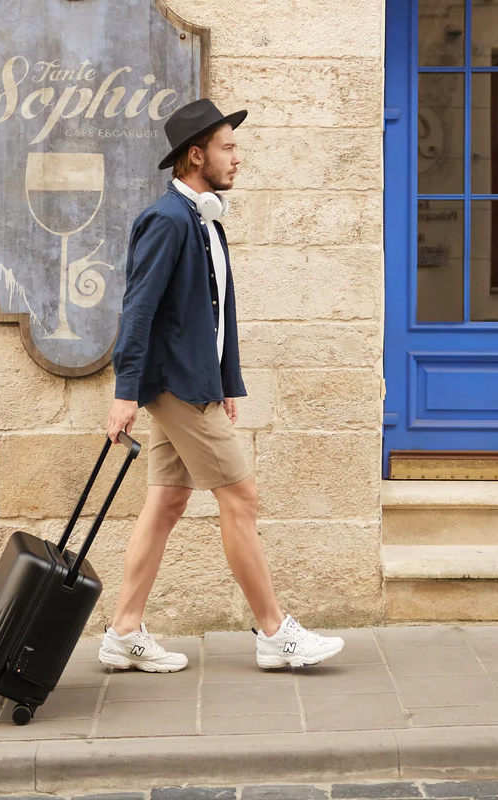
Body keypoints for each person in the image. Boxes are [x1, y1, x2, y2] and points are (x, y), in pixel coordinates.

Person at [99, 98, 345, 673]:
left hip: (195, 382)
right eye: (227, 147)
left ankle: (123, 632)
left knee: (167, 502)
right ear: (195, 156)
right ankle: (275, 633)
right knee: (241, 495)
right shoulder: (167, 220)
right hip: (177, 387)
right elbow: (137, 312)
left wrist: (228, 379)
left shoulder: (204, 219)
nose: (238, 157)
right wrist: (125, 392)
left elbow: (218, 311)